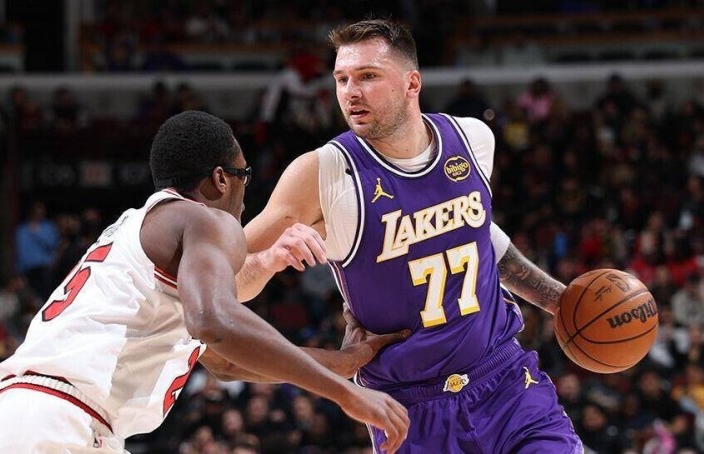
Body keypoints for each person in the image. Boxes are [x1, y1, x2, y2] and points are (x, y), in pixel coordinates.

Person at [0, 111, 410, 453]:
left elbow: (227, 363)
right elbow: (215, 321)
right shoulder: (204, 220)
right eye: (244, 176)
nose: (245, 195)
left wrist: (344, 362)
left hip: (31, 419)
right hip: (60, 424)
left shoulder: (143, 232)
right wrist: (344, 395)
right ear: (221, 179)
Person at [238, 19, 582, 452]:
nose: (350, 92)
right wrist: (267, 262)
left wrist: (556, 298)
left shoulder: (472, 138)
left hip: (506, 381)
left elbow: (479, 234)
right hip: (409, 407)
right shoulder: (324, 173)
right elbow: (225, 278)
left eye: (367, 76)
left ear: (411, 83)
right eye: (342, 79)